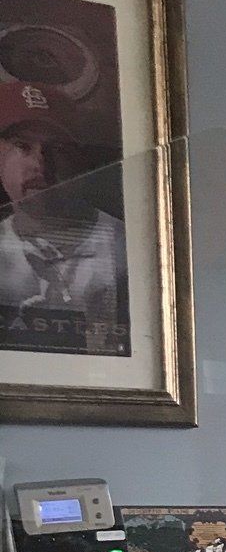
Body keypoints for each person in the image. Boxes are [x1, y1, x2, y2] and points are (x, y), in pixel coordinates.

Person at [0, 80, 127, 351]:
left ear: (78, 161)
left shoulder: (127, 246)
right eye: (23, 146)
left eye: (56, 148)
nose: (40, 163)